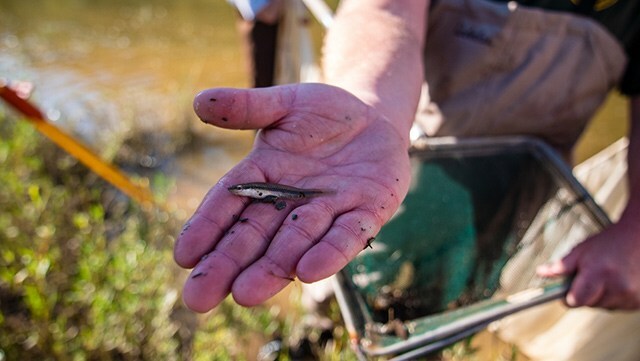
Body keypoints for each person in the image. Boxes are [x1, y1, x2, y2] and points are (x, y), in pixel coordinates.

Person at [175, 0, 640, 318]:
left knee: (461, 286)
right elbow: (386, 7)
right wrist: (369, 105)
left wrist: (635, 230)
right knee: (350, 267)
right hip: (404, 154)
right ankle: (335, 323)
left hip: (525, 175)